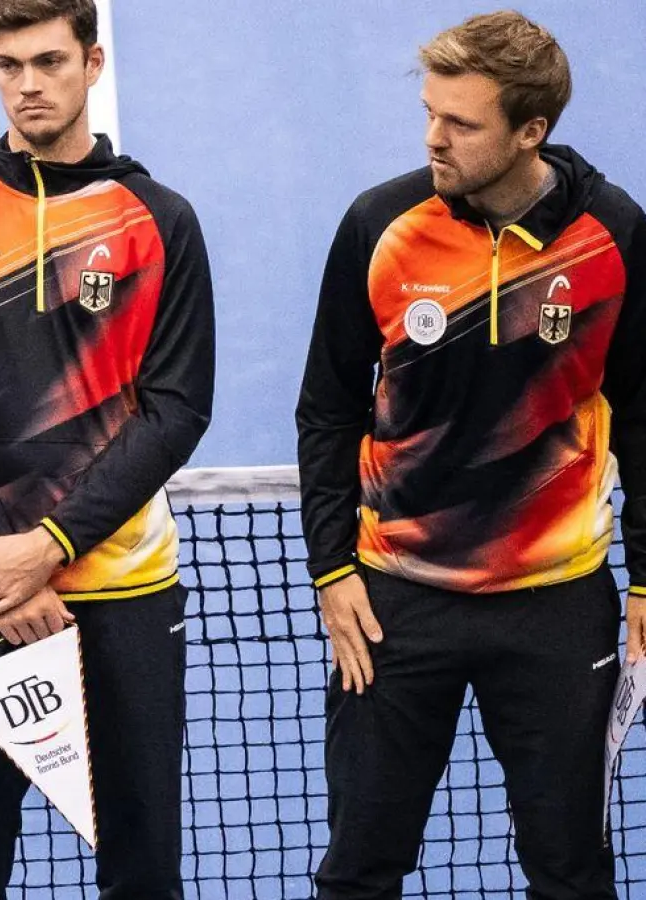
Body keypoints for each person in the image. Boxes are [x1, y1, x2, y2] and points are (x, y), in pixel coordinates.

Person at [297, 11, 646, 898]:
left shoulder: (613, 235)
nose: (432, 138)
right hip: (394, 605)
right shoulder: (381, 224)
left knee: (570, 870)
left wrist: (644, 581)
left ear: (530, 131)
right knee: (359, 868)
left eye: (460, 123)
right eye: (428, 113)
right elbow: (327, 408)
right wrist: (330, 570)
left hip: (556, 606)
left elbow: (642, 416)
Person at [0, 1, 214, 896]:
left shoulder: (158, 218)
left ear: (91, 63)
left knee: (141, 860)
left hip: (121, 594)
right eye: (6, 64)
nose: (27, 85)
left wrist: (49, 548)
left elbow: (177, 409)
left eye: (47, 62)